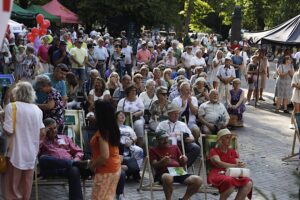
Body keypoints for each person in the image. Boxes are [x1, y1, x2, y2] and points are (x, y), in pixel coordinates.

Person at [2, 81, 44, 200]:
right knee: (26, 185)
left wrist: (2, 120)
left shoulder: (12, 106)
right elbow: (42, 131)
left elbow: (8, 131)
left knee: (11, 188)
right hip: (31, 153)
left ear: (17, 93)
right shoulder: (37, 110)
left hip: (15, 152)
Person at [39, 118, 89, 200]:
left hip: (67, 168)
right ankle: (73, 163)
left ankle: (73, 163)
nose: (53, 131)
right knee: (43, 158)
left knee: (74, 170)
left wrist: (76, 159)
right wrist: (42, 135)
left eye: (55, 128)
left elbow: (79, 152)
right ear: (45, 130)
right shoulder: (42, 140)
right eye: (50, 129)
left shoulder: (65, 138)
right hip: (52, 168)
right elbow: (34, 152)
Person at [149, 130, 202, 200]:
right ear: (158, 140)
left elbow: (182, 163)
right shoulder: (154, 150)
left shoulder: (175, 147)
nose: (165, 140)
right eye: (162, 139)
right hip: (164, 172)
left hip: (177, 171)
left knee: (198, 180)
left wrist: (184, 159)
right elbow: (154, 165)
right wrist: (162, 162)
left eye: (166, 138)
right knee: (168, 177)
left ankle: (185, 199)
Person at [89, 100, 121, 200]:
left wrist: (92, 166)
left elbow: (104, 155)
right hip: (115, 169)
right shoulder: (112, 128)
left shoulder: (102, 133)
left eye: (95, 110)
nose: (93, 113)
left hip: (105, 171)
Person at [208, 129, 252, 200]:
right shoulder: (214, 151)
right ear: (221, 140)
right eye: (227, 137)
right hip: (218, 173)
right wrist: (235, 165)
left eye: (231, 138)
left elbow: (238, 162)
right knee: (230, 181)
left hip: (232, 173)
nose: (230, 140)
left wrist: (241, 164)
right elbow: (219, 163)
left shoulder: (232, 151)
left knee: (248, 182)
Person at [156, 103, 200, 168]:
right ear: (169, 114)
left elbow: (191, 136)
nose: (177, 115)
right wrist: (169, 135)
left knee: (196, 147)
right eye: (174, 113)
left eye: (178, 113)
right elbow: (158, 134)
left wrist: (191, 139)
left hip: (181, 144)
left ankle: (182, 165)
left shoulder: (182, 124)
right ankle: (177, 165)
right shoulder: (162, 124)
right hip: (168, 144)